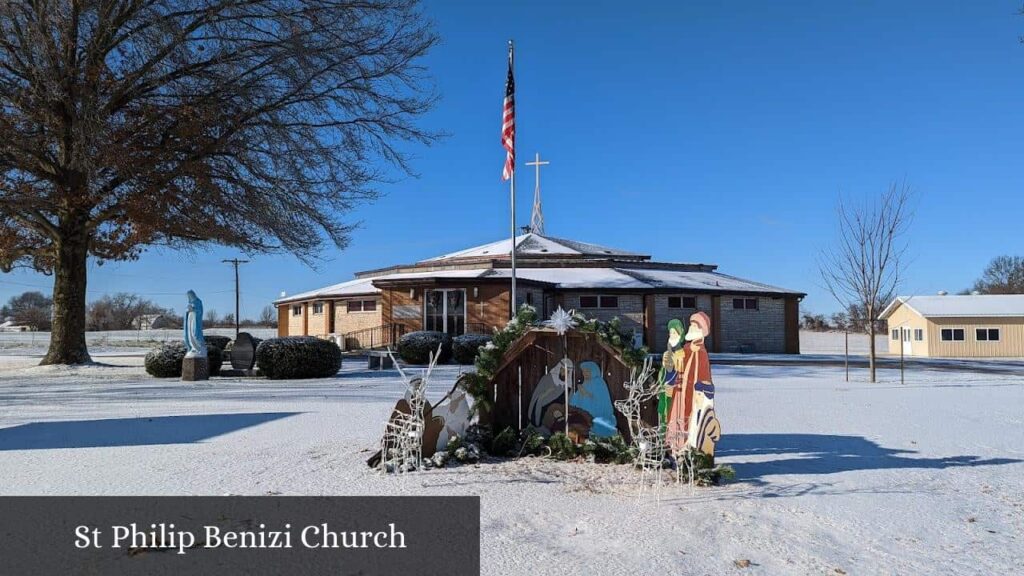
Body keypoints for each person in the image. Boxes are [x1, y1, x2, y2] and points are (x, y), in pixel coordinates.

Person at [665, 311, 714, 456]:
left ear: (702, 330)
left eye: (694, 326)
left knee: (691, 420)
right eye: (691, 325)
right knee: (677, 417)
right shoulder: (686, 349)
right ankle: (675, 445)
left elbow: (704, 375)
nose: (691, 328)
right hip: (680, 391)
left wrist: (702, 391)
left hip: (693, 394)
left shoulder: (701, 352)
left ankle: (688, 448)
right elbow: (676, 367)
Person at [658, 319, 686, 430]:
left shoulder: (682, 353)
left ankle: (674, 440)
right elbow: (664, 372)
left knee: (675, 415)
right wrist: (664, 367)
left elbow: (682, 370)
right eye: (670, 333)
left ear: (680, 335)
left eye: (674, 333)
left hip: (676, 391)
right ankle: (663, 440)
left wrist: (675, 361)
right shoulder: (667, 352)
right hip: (666, 389)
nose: (671, 335)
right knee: (664, 415)